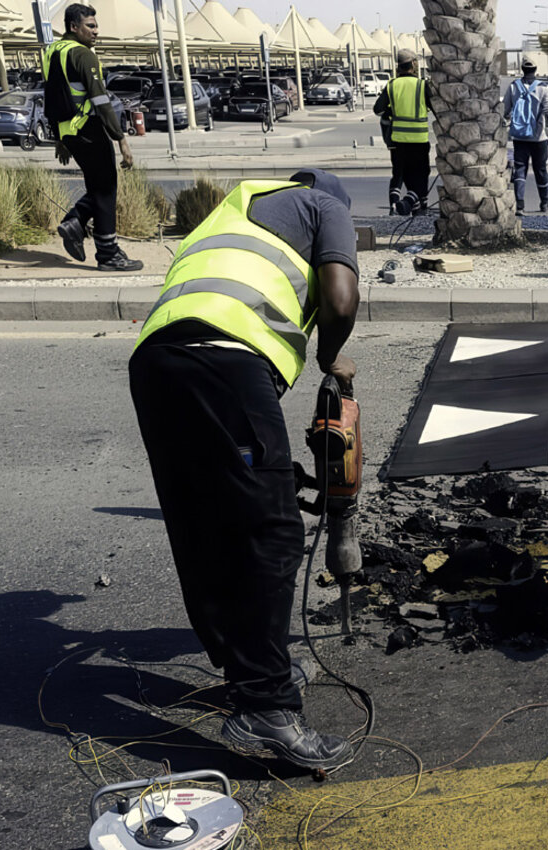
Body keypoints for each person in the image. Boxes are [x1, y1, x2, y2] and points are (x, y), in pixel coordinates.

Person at [128, 168, 361, 770]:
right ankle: (264, 707)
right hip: (224, 362)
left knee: (203, 522)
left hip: (154, 363)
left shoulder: (232, 211)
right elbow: (340, 298)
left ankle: (247, 672)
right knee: (271, 532)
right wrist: (330, 358)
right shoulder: (322, 205)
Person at [43, 3, 141, 272]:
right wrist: (121, 140)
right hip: (89, 129)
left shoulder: (53, 51)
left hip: (70, 134)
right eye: (91, 26)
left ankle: (75, 222)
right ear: (74, 27)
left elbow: (51, 97)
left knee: (98, 186)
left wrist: (59, 139)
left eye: (96, 26)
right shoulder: (84, 55)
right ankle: (108, 254)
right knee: (107, 188)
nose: (96, 32)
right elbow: (101, 102)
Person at [374, 50, 432, 216]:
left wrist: (392, 111)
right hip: (419, 139)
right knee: (421, 174)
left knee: (401, 173)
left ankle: (398, 206)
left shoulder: (392, 85)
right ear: (413, 64)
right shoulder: (421, 85)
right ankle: (413, 203)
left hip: (398, 140)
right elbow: (436, 108)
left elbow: (378, 110)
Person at [502, 59, 548, 215]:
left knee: (520, 169)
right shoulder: (543, 88)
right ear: (535, 70)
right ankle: (544, 202)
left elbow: (505, 111)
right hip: (538, 138)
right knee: (540, 169)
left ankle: (519, 205)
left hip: (519, 136)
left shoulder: (514, 86)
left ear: (522, 69)